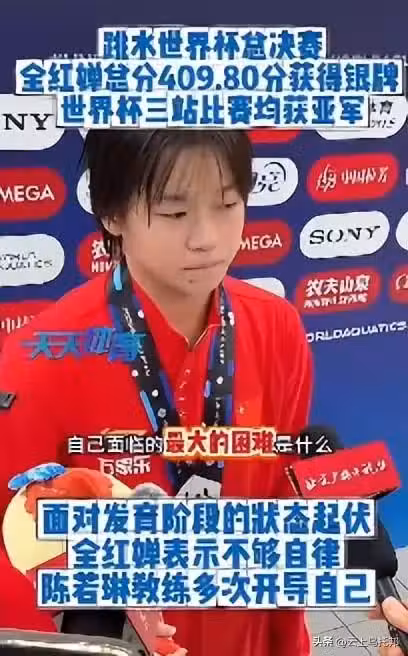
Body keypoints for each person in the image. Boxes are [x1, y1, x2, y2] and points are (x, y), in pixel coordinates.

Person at [0, 127, 402, 655]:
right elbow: (14, 561)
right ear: (113, 212)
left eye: (227, 204)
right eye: (174, 212)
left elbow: (282, 499)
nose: (207, 238)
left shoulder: (276, 327)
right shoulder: (36, 364)